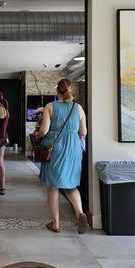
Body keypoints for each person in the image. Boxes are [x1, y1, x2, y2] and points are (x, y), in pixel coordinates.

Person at [37, 79, 88, 234]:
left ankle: (56, 224)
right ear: (71, 90)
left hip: (56, 149)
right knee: (71, 186)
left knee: (53, 187)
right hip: (74, 149)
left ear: (57, 91)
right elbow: (83, 132)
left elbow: (44, 131)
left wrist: (38, 133)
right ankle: (80, 213)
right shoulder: (78, 108)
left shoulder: (50, 107)